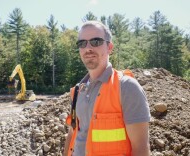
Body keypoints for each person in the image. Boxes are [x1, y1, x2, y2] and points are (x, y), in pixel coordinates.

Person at [64, 21, 151, 156]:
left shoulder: (127, 88)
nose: (88, 48)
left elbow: (141, 149)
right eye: (82, 43)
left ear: (109, 47)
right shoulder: (77, 92)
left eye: (96, 41)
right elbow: (72, 134)